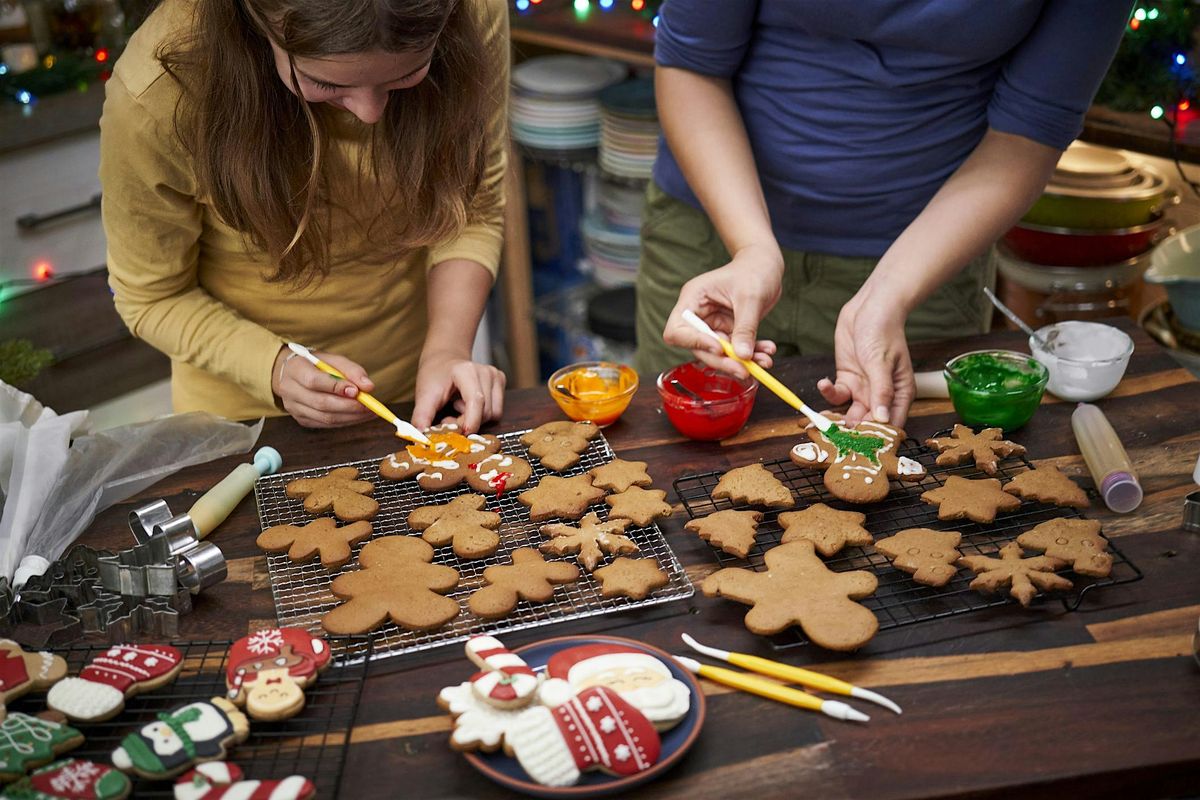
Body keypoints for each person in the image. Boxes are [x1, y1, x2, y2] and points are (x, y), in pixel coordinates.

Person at [635, 1, 1132, 427]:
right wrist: (751, 249)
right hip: (711, 241)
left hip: (925, 262)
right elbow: (690, 64)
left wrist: (887, 294)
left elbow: (1028, 135)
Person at [101, 0, 508, 432]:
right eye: (323, 83)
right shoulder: (158, 93)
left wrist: (446, 350)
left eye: (407, 75)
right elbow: (153, 298)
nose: (370, 114)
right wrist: (274, 368)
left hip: (414, 391)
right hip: (243, 422)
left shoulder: (472, 8)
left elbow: (470, 205)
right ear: (259, 20)